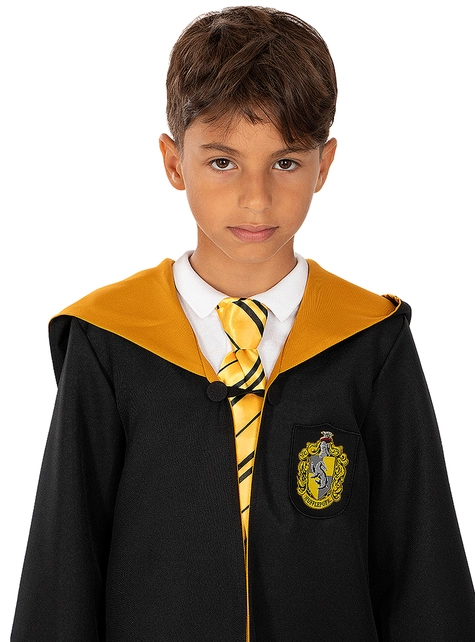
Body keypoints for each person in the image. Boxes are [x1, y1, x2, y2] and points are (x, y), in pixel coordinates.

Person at [11, 6, 475, 641]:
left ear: (324, 164)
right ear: (174, 162)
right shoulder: (109, 340)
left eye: (285, 162)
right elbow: (63, 565)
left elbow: (423, 566)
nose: (256, 198)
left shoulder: (370, 341)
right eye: (223, 162)